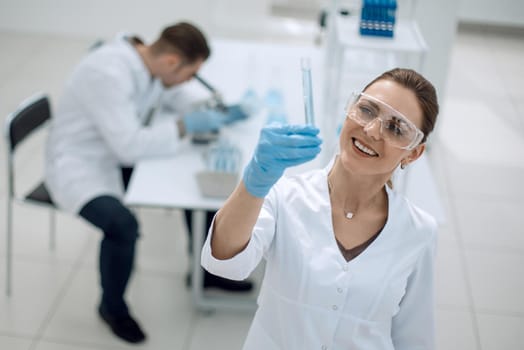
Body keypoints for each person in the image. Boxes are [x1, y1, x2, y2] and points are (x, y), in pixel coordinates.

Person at [202, 68, 439, 349]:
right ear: (349, 110)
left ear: (413, 153)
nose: (372, 130)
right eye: (366, 110)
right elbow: (223, 262)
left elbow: (414, 336)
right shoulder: (286, 195)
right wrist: (254, 182)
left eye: (395, 128)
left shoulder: (419, 231)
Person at [45, 22, 251, 344]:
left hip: (115, 153)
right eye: (191, 73)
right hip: (80, 165)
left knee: (189, 186)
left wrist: (207, 108)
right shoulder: (108, 73)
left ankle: (206, 273)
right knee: (122, 225)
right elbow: (128, 145)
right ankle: (112, 308)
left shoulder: (145, 59)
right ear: (172, 61)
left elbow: (170, 92)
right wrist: (186, 126)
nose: (189, 81)